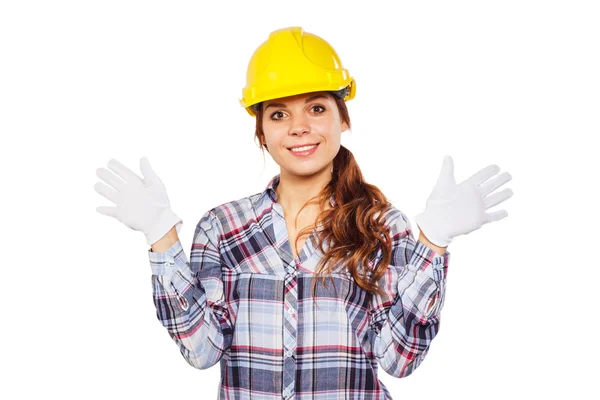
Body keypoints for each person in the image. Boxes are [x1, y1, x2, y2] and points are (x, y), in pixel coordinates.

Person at [94, 26, 513, 400]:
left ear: (342, 118)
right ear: (261, 132)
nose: (298, 127)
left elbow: (400, 360)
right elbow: (202, 351)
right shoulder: (223, 227)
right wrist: (161, 237)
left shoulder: (381, 226)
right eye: (279, 114)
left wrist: (433, 242)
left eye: (316, 108)